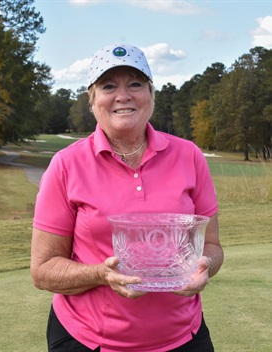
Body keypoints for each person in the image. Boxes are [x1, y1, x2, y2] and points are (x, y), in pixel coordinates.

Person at [30, 43, 224, 352]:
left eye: (135, 84)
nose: (124, 95)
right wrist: (102, 275)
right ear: (93, 100)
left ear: (150, 93)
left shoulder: (189, 156)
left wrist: (205, 266)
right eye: (109, 86)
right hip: (89, 340)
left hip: (184, 337)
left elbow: (212, 247)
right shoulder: (66, 165)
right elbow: (43, 271)